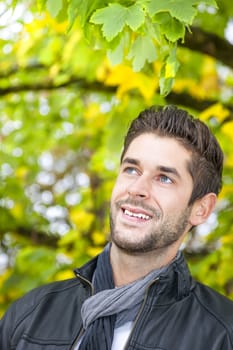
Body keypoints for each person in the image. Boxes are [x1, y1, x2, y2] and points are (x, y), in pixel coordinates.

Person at [1, 105, 233, 350]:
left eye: (164, 178)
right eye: (132, 170)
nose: (137, 188)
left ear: (201, 209)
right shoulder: (29, 316)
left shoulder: (222, 335)